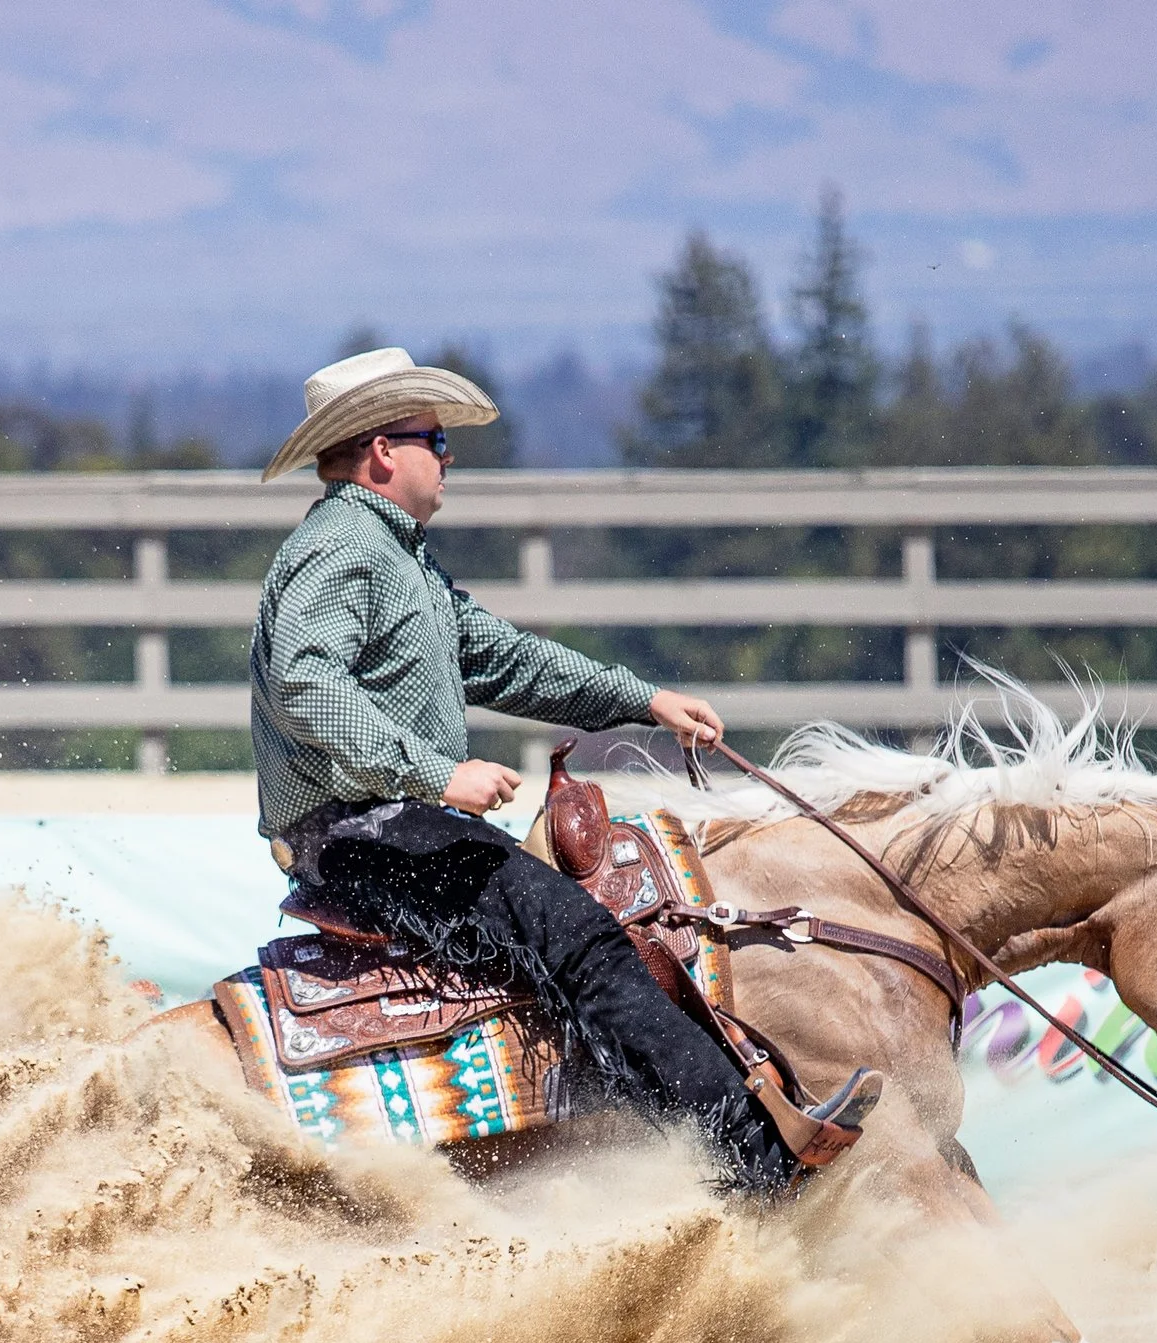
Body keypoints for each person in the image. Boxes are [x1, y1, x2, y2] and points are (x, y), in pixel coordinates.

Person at [248, 347, 878, 1192]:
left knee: (571, 930)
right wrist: (435, 774)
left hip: (381, 823)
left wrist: (642, 699)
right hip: (366, 832)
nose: (450, 453)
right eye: (434, 436)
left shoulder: (397, 556)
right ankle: (751, 1159)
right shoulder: (344, 549)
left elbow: (504, 659)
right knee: (581, 939)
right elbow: (304, 678)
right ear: (381, 452)